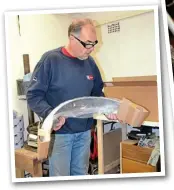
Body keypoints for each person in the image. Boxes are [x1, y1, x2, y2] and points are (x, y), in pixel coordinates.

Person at [26, 18, 118, 176]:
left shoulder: (90, 63)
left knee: (80, 175)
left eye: (94, 43)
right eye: (87, 44)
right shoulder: (51, 60)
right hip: (60, 135)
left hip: (84, 133)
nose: (91, 49)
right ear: (71, 38)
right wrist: (51, 115)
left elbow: (97, 93)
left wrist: (106, 108)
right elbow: (33, 95)